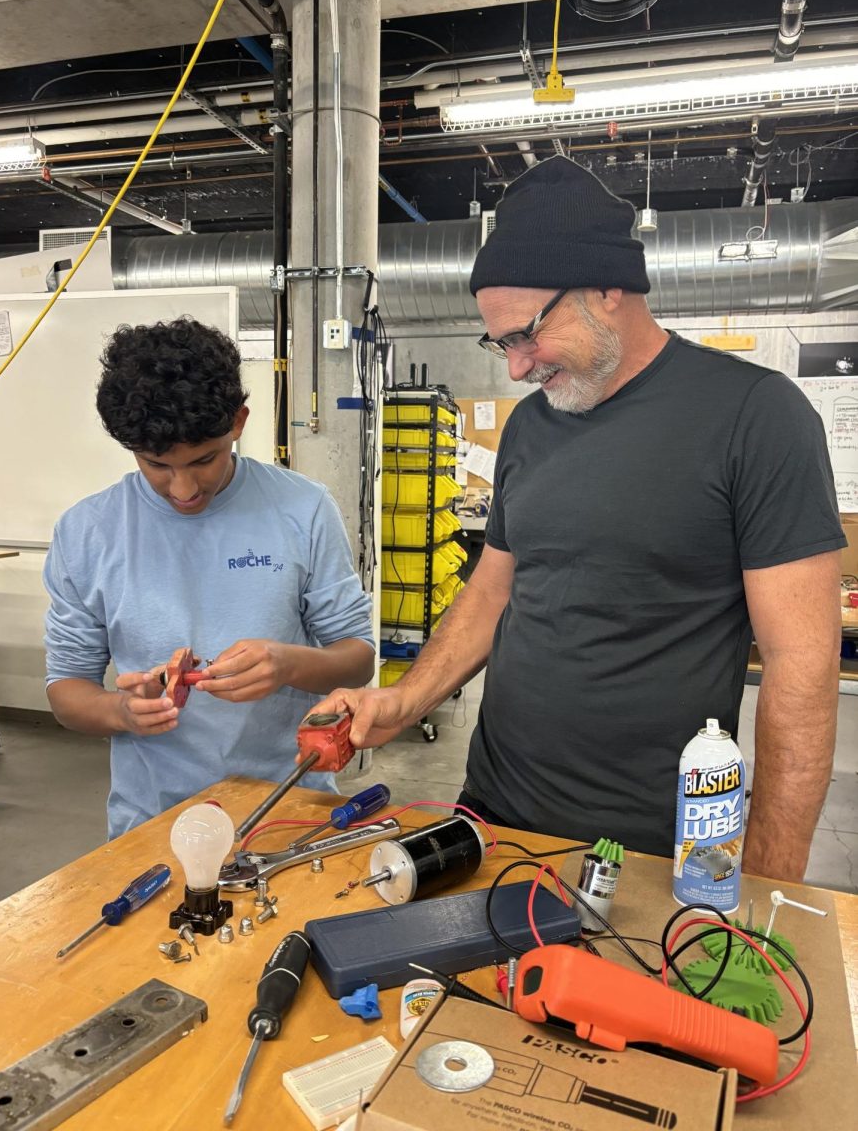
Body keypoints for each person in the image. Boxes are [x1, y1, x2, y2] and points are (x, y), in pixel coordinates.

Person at [309, 156, 844, 882]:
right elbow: (492, 594)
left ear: (607, 287)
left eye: (526, 335)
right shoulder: (531, 429)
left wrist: (768, 890)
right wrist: (404, 698)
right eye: (500, 343)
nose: (516, 368)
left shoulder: (756, 416)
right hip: (492, 816)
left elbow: (801, 671)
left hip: (648, 846)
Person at [43, 317, 375, 837]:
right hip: (152, 821)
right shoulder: (87, 531)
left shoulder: (303, 509)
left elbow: (357, 660)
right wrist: (121, 713)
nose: (182, 490)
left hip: (287, 807)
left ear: (239, 422)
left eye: (204, 460)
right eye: (156, 465)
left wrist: (288, 663)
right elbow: (66, 691)